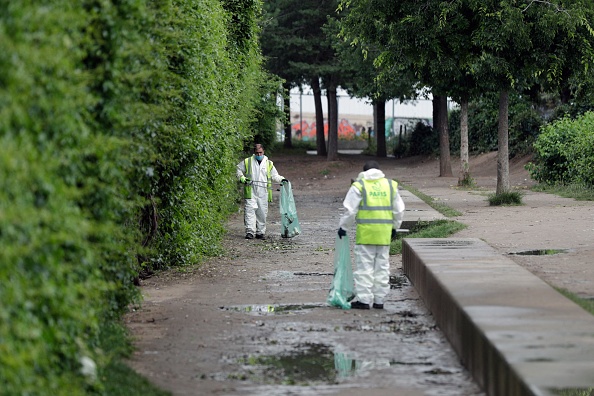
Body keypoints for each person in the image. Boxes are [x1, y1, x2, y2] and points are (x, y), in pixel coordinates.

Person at [337, 160, 405, 309]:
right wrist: (395, 227)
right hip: (384, 235)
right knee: (382, 267)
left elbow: (350, 210)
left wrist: (343, 227)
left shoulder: (359, 186)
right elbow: (399, 210)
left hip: (366, 235)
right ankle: (379, 301)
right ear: (379, 171)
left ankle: (364, 300)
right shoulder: (390, 185)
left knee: (365, 268)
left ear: (364, 171)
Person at [237, 144, 288, 240]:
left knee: (262, 212)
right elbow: (238, 169)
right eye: (257, 153)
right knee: (249, 211)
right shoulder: (248, 162)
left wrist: (282, 180)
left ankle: (260, 232)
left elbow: (274, 176)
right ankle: (250, 232)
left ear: (263, 151)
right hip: (250, 190)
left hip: (263, 192)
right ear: (254, 153)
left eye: (260, 152)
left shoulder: (269, 164)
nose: (259, 154)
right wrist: (242, 177)